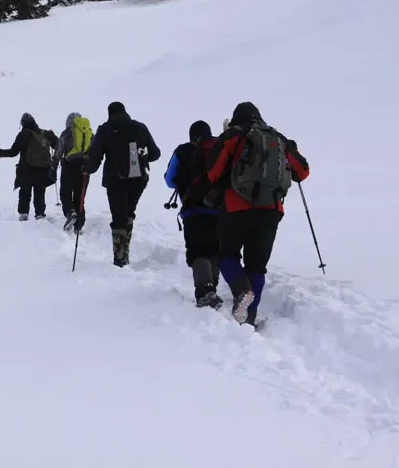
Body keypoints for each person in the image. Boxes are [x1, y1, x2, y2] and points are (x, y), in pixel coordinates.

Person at [205, 102, 309, 326]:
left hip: (236, 207)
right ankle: (249, 318)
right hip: (270, 211)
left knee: (227, 254)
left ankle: (242, 291)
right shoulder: (279, 139)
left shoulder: (232, 136)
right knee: (257, 265)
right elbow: (302, 172)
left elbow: (213, 173)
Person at [85, 102, 161, 267]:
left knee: (118, 217)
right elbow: (155, 154)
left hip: (115, 180)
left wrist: (87, 169)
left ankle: (120, 257)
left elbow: (95, 156)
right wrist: (141, 158)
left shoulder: (105, 129)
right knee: (129, 213)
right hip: (138, 179)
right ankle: (124, 251)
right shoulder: (140, 128)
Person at [164, 120, 223, 308]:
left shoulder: (183, 151)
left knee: (198, 251)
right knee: (215, 250)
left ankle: (205, 290)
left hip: (193, 211)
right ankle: (212, 287)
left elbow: (169, 180)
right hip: (219, 209)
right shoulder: (220, 147)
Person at [0, 113, 58, 220]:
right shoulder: (45, 133)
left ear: (23, 123)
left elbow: (13, 152)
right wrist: (52, 135)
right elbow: (58, 145)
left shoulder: (23, 135)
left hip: (26, 170)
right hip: (43, 170)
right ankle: (40, 215)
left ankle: (23, 214)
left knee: (25, 192)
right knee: (39, 193)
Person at [54, 112, 93, 233]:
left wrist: (53, 165)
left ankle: (70, 213)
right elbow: (95, 151)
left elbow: (59, 152)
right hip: (84, 169)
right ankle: (78, 226)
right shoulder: (89, 133)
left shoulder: (66, 133)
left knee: (65, 194)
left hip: (69, 166)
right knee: (79, 197)